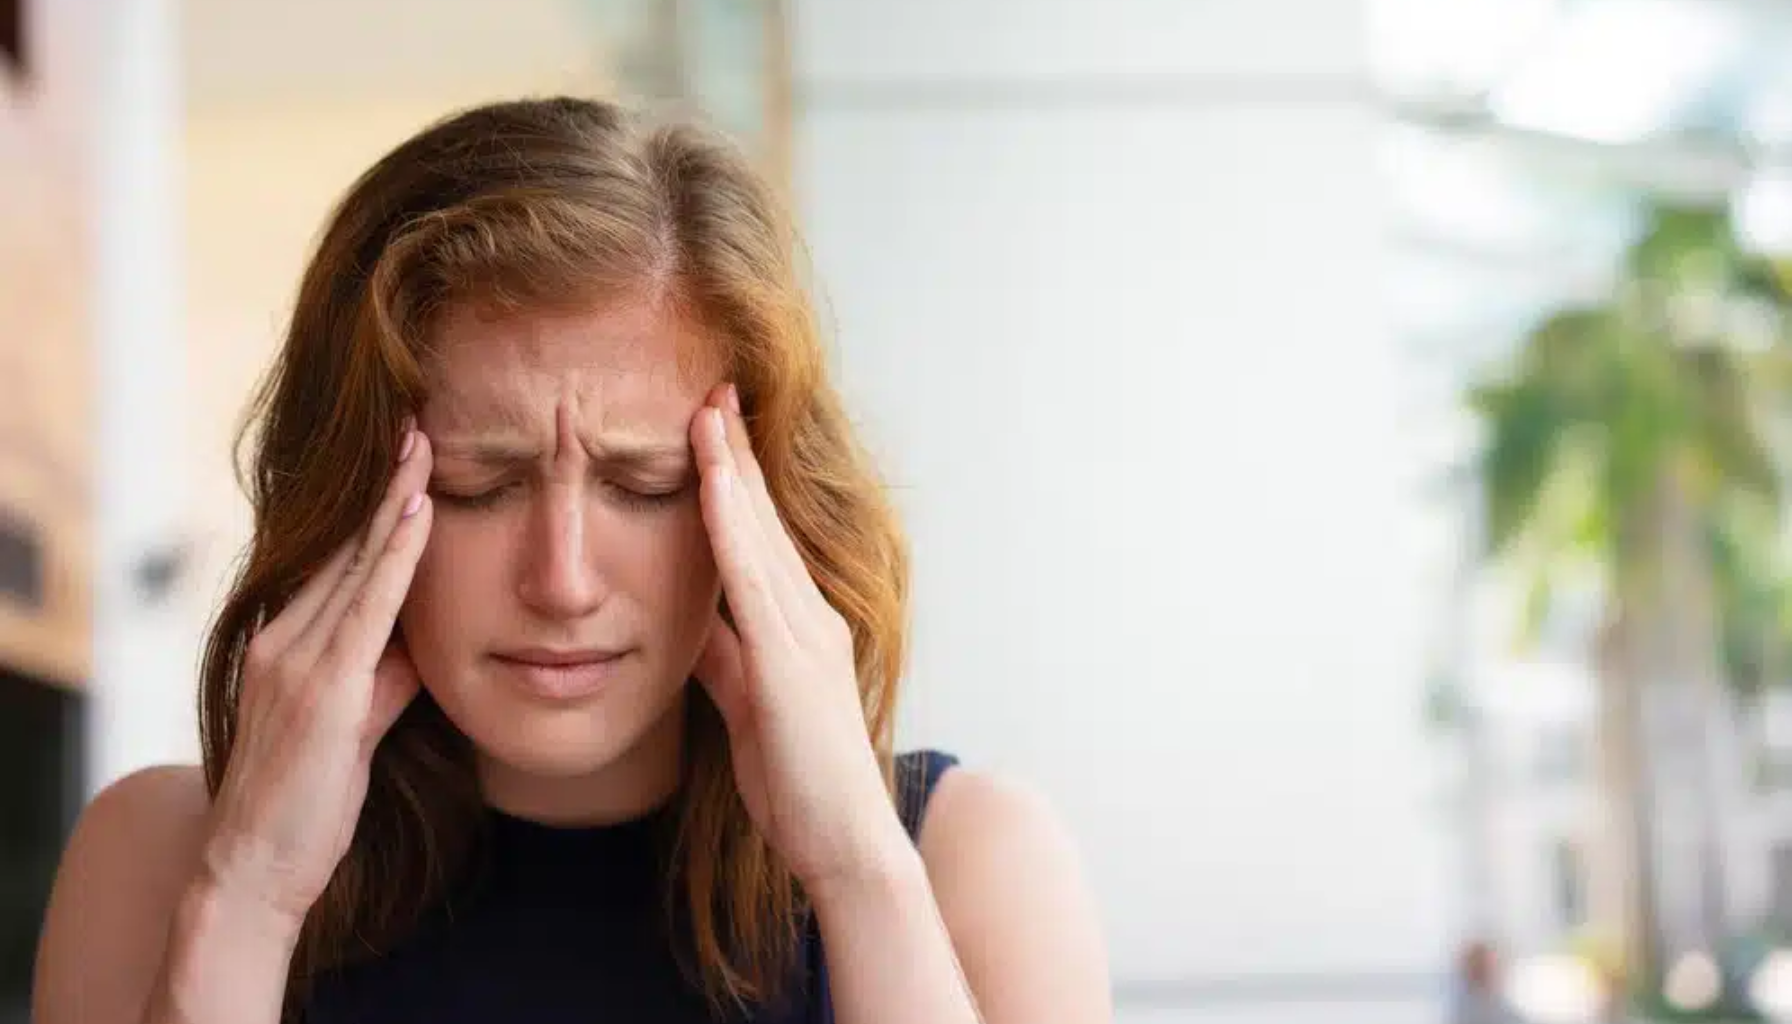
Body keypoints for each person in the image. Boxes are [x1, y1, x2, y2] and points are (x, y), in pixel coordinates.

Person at [31, 97, 1111, 1024]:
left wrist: (860, 873)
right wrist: (250, 894)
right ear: (351, 490)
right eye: (478, 484)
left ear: (765, 507)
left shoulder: (972, 864)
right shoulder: (159, 857)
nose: (562, 582)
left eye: (644, 485)